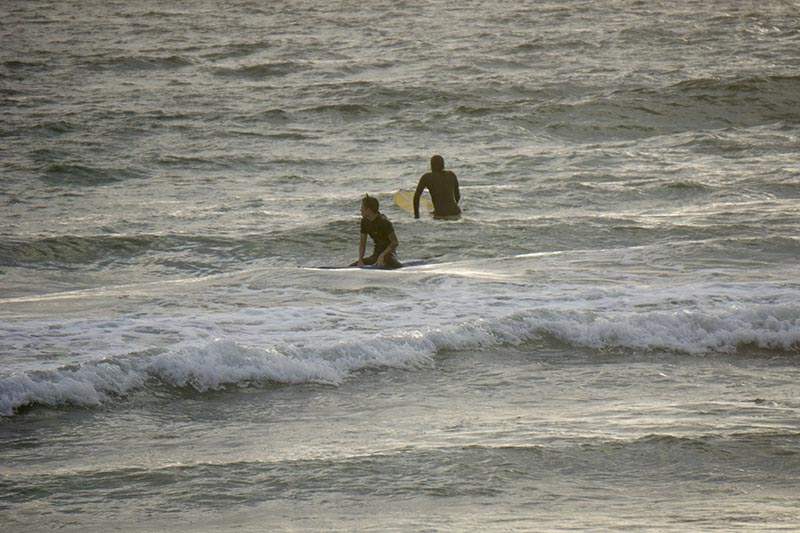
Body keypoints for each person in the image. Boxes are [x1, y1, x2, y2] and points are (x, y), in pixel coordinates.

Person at [350, 194, 403, 269]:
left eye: (362, 207)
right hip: (376, 255)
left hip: (388, 255)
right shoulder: (364, 222)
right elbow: (362, 243)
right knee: (352, 267)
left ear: (368, 209)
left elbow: (394, 242)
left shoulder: (384, 222)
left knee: (391, 263)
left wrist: (382, 255)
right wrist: (360, 260)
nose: (360, 210)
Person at [413, 155, 461, 220]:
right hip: (455, 211)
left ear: (431, 165)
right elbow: (457, 196)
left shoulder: (427, 177)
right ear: (443, 165)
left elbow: (416, 197)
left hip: (440, 213)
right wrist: (450, 207)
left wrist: (416, 215)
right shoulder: (451, 175)